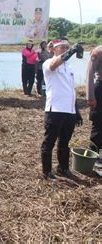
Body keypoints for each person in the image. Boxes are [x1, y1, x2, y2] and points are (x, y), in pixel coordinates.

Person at [41, 38, 83, 181]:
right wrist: (71, 51)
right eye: (62, 47)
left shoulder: (68, 67)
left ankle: (63, 168)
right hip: (55, 110)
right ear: (53, 49)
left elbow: (71, 90)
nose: (65, 49)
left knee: (65, 142)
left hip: (68, 110)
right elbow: (54, 64)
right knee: (49, 142)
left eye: (67, 47)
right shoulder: (48, 63)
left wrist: (76, 111)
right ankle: (46, 172)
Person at [86, 46, 102, 154]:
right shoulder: (98, 51)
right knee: (98, 122)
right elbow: (90, 75)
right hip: (100, 88)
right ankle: (94, 153)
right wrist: (90, 97)